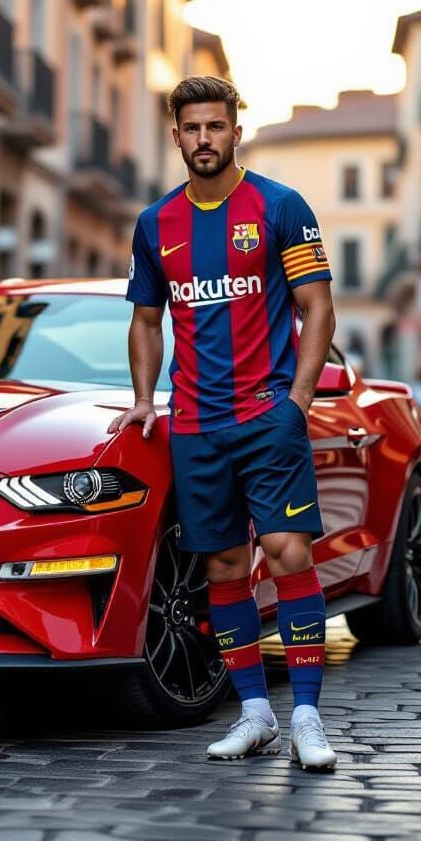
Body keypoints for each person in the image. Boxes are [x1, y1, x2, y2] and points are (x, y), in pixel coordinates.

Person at [109, 76, 338, 771]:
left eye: (215, 126)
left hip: (266, 414)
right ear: (175, 135)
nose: (203, 139)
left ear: (236, 131)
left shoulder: (279, 207)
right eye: (191, 128)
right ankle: (255, 714)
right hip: (196, 424)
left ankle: (306, 716)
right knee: (223, 565)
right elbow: (146, 321)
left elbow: (317, 308)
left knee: (288, 551)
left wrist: (296, 402)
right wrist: (145, 398)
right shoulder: (155, 224)